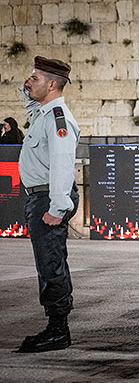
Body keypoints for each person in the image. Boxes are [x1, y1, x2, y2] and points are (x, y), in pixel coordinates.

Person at [17, 56, 79, 353]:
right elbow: (31, 101)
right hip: (41, 197)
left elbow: (62, 165)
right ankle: (56, 326)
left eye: (36, 78)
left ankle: (58, 330)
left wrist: (57, 207)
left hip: (49, 198)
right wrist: (26, 86)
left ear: (53, 84)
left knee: (51, 263)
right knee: (48, 262)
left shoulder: (58, 119)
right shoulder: (43, 113)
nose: (30, 81)